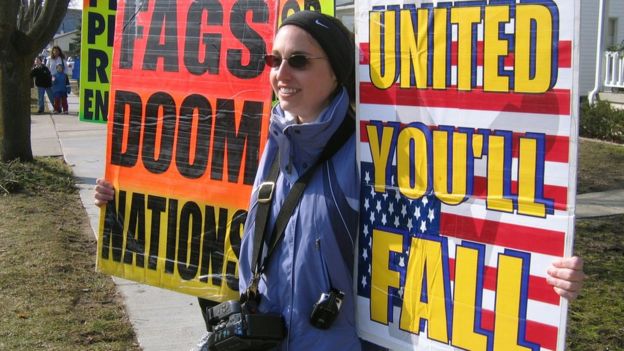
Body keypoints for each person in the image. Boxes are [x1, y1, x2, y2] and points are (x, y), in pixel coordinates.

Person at [95, 11, 586, 350]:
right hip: (263, 340)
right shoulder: (267, 142)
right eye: (274, 60)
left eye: (299, 60)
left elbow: (458, 235)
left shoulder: (375, 154)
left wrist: (548, 277)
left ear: (337, 72)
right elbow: (207, 221)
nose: (281, 73)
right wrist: (128, 202)